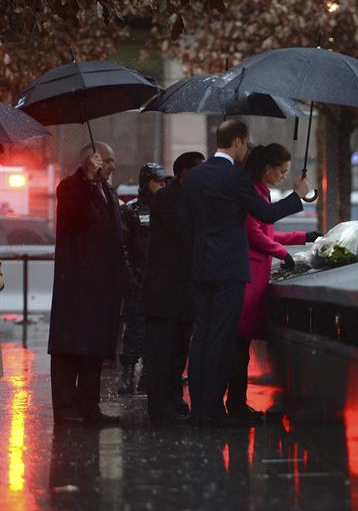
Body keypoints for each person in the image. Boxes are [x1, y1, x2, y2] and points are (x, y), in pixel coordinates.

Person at [184, 119, 311, 426]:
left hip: (201, 266)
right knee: (222, 339)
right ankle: (213, 410)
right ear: (238, 141)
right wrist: (298, 196)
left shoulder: (196, 175)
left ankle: (199, 407)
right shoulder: (235, 177)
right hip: (229, 269)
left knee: (200, 337)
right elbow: (265, 213)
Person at [227, 144, 322, 424]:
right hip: (247, 278)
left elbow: (268, 233)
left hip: (255, 277)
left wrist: (303, 236)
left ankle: (236, 403)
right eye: (281, 170)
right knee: (238, 347)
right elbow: (254, 234)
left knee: (240, 347)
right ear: (267, 168)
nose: (282, 175)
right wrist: (282, 253)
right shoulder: (251, 193)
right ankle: (235, 405)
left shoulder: (261, 191)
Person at [49, 142, 126, 425]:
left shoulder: (106, 190)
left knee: (94, 349)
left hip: (102, 287)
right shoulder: (70, 187)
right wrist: (86, 178)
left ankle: (89, 405)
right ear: (90, 161)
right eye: (107, 160)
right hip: (77, 285)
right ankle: (67, 408)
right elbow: (73, 219)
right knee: (71, 348)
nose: (112, 166)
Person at [141, 152, 206, 424]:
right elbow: (184, 231)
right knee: (161, 353)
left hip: (183, 292)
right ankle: (160, 408)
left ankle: (175, 401)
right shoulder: (167, 198)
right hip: (163, 292)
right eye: (197, 171)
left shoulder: (190, 198)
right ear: (183, 172)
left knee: (178, 352)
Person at [118, 162, 170, 395]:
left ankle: (148, 376)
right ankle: (127, 374)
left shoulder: (167, 208)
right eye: (158, 181)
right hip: (138, 278)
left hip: (160, 279)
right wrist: (130, 276)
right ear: (145, 182)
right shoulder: (131, 210)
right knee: (135, 330)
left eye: (164, 181)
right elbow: (123, 247)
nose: (162, 185)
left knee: (157, 331)